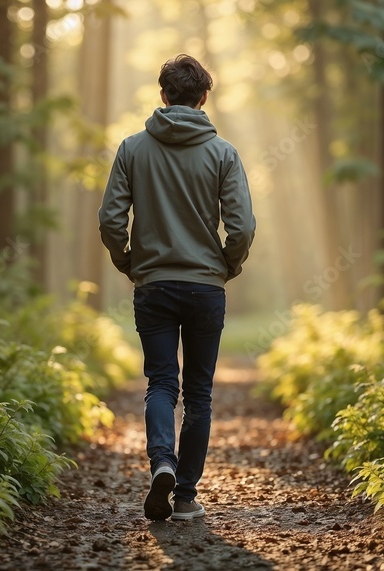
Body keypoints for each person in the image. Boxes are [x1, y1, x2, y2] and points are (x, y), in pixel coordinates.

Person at [98, 54, 256, 522]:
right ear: (203, 97)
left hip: (154, 286)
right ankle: (185, 496)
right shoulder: (223, 152)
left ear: (163, 95)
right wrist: (226, 265)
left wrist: (129, 262)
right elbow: (242, 227)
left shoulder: (132, 148)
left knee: (161, 383)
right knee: (200, 393)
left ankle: (161, 462)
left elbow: (110, 220)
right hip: (206, 287)